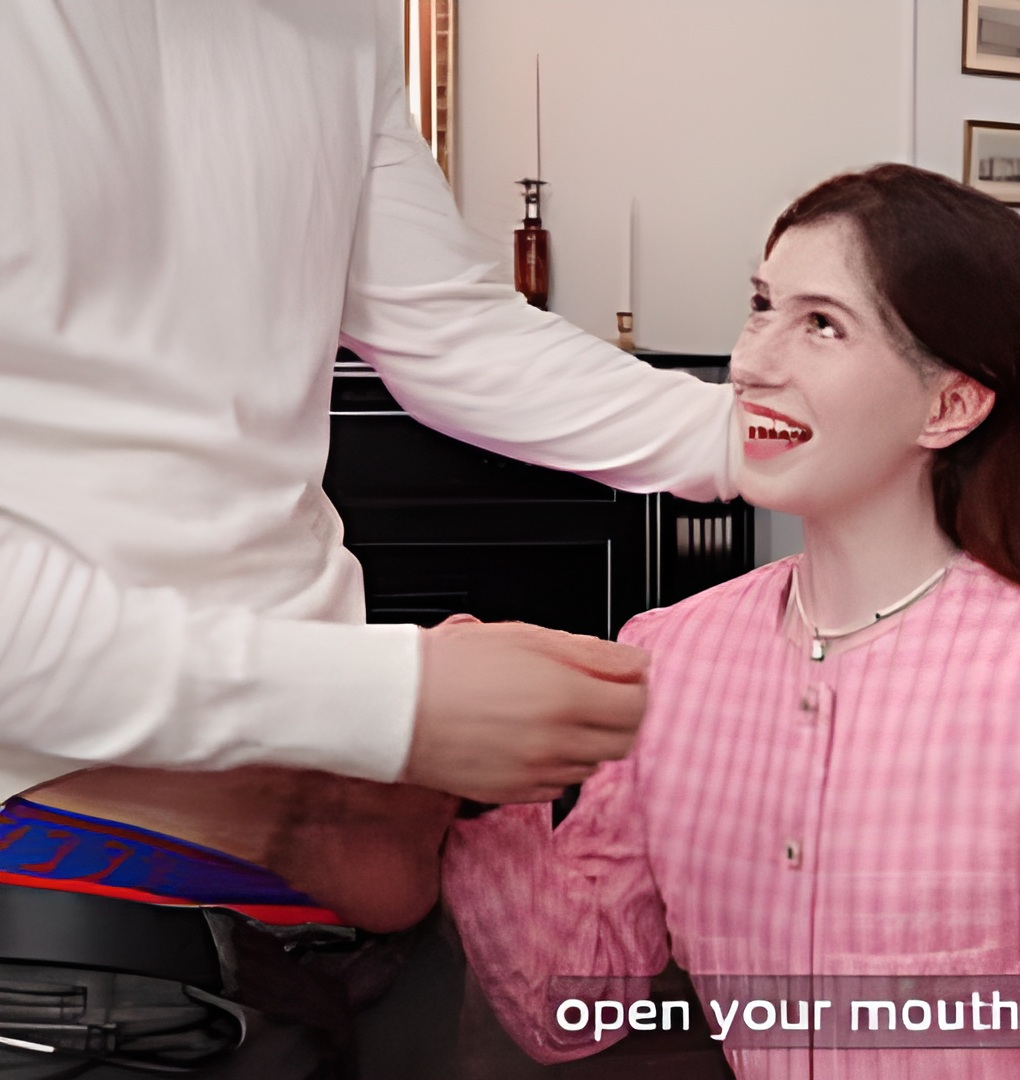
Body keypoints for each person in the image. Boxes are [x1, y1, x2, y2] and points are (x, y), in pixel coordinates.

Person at [0, 2, 736, 1074]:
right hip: (77, 915)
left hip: (350, 927)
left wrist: (758, 438)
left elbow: (448, 326)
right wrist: (399, 701)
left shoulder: (338, 23)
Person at [443, 164, 1020, 1079]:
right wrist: (481, 777)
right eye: (762, 306)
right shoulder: (669, 654)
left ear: (950, 405)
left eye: (823, 324)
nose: (751, 363)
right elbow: (572, 1010)